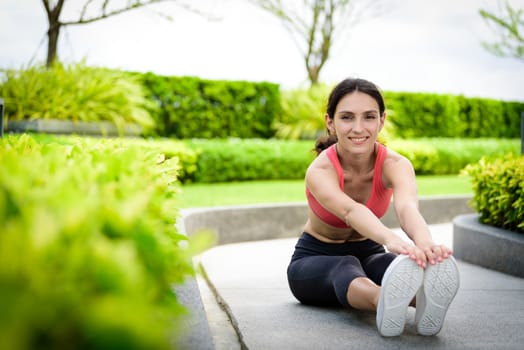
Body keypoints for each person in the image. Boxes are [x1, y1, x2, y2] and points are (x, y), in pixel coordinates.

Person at [286, 78, 460, 337]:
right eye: (347, 117)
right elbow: (350, 211)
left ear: (381, 120)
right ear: (330, 122)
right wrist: (390, 238)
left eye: (369, 117)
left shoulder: (397, 164)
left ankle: (422, 300)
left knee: (393, 264)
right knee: (346, 265)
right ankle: (382, 301)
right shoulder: (320, 170)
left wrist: (425, 244)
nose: (358, 128)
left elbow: (407, 208)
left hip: (369, 251)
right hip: (314, 259)